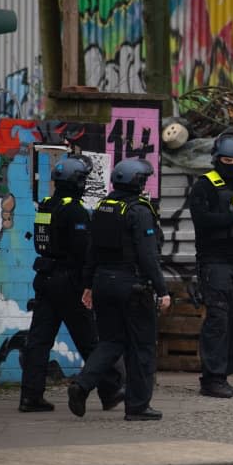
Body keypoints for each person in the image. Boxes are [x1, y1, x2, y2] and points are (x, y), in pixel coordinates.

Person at [67, 158, 170, 421]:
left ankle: (82, 385)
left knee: (111, 342)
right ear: (138, 183)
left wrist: (88, 284)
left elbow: (92, 250)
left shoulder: (103, 207)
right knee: (142, 346)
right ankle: (137, 407)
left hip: (103, 283)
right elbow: (148, 256)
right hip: (132, 286)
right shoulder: (139, 211)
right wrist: (163, 290)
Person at [20, 154, 124, 413]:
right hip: (68, 281)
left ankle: (31, 396)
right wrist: (87, 282)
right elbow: (82, 250)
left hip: (45, 278)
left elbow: (40, 242)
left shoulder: (46, 205)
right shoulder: (74, 210)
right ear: (76, 182)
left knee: (39, 341)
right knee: (88, 338)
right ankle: (109, 390)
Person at [189, 131, 233, 398]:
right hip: (215, 263)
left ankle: (226, 371)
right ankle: (212, 378)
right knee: (218, 319)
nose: (231, 165)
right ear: (216, 159)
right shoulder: (204, 185)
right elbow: (201, 220)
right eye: (226, 160)